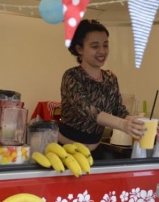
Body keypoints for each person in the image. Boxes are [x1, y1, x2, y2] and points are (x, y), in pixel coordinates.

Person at [58, 19, 145, 156]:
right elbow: (88, 110)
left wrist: (137, 123)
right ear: (79, 49)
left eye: (105, 45)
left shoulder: (110, 79)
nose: (102, 51)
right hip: (66, 151)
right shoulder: (72, 76)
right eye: (95, 46)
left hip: (95, 151)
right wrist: (122, 125)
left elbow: (119, 111)